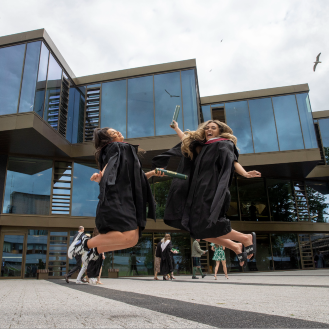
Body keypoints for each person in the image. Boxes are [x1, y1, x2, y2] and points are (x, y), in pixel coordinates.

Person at [152, 120, 261, 267]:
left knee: (211, 222)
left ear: (220, 131)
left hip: (212, 189)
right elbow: (186, 140)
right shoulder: (201, 147)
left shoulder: (224, 143)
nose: (209, 130)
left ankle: (245, 238)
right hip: (197, 191)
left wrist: (246, 174)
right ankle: (235, 246)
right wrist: (177, 128)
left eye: (213, 128)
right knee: (198, 230)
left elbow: (232, 161)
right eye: (207, 128)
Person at [68, 127, 164, 265]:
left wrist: (153, 173)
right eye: (113, 133)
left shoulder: (122, 149)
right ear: (108, 140)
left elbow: (136, 179)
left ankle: (95, 250)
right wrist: (101, 178)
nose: (118, 132)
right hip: (118, 198)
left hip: (127, 199)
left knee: (132, 240)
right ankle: (85, 243)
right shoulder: (116, 146)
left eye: (116, 131)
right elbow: (110, 165)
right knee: (129, 235)